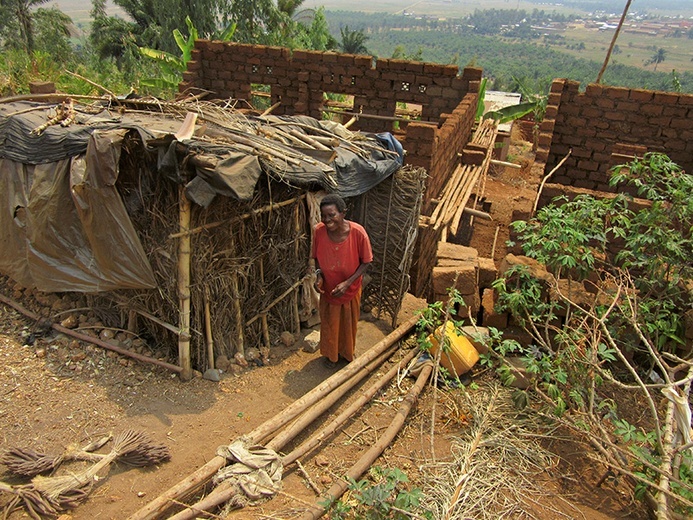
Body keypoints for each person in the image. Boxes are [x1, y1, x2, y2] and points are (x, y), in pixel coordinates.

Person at [311, 194, 373, 368]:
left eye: (332, 215)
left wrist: (347, 283)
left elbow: (366, 261)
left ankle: (346, 354)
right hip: (329, 289)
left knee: (347, 324)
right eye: (324, 216)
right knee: (329, 324)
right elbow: (316, 258)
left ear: (343, 213)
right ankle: (331, 356)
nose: (327, 220)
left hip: (349, 289)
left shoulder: (358, 233)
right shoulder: (319, 231)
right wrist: (319, 276)